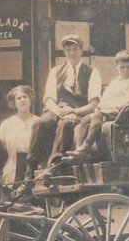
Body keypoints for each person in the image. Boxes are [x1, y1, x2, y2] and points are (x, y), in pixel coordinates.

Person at [25, 34, 102, 175]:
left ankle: (54, 164)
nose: (72, 53)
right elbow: (48, 99)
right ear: (64, 52)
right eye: (68, 50)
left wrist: (74, 111)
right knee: (41, 123)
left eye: (74, 49)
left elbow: (93, 104)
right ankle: (30, 168)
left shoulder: (92, 72)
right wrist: (59, 111)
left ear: (81, 50)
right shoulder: (56, 71)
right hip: (57, 110)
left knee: (65, 124)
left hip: (79, 111)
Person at [0, 85, 39, 241]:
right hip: (11, 165)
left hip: (32, 167)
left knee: (29, 211)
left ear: (31, 99)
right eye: (19, 98)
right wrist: (0, 171)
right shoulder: (7, 124)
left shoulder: (38, 122)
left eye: (25, 96)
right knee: (5, 210)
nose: (22, 100)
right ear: (14, 103)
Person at [68, 50, 129, 160]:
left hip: (125, 113)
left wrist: (108, 107)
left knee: (97, 117)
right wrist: (101, 107)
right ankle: (79, 150)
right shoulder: (115, 81)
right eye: (122, 67)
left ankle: (86, 146)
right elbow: (105, 98)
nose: (126, 70)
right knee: (85, 120)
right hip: (109, 111)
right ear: (117, 66)